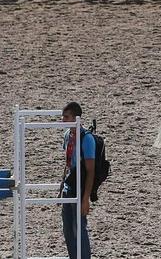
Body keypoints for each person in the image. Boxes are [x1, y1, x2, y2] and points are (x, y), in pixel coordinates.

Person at [60, 102, 95, 259]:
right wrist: (62, 184)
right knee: (68, 228)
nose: (63, 121)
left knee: (80, 228)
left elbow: (90, 170)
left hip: (80, 187)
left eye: (66, 117)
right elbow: (67, 163)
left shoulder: (86, 139)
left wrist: (86, 198)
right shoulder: (68, 135)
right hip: (69, 185)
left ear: (76, 118)